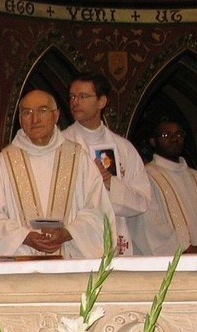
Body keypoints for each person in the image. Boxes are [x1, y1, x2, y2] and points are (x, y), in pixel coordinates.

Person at [0, 89, 114, 259]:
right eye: (27, 112)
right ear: (20, 119)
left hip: (70, 263)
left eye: (42, 111)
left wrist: (68, 233)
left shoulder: (78, 157)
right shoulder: (4, 161)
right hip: (21, 263)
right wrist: (25, 237)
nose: (35, 119)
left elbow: (98, 211)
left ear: (56, 116)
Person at [63, 73, 151, 256]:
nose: (75, 102)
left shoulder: (124, 148)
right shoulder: (61, 145)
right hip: (76, 243)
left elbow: (142, 202)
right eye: (72, 97)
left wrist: (111, 183)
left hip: (118, 237)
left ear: (102, 101)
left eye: (82, 96)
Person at [130, 119, 197, 256]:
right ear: (153, 141)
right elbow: (148, 221)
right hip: (169, 259)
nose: (174, 139)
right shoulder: (146, 176)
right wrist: (184, 248)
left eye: (179, 134)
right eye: (166, 135)